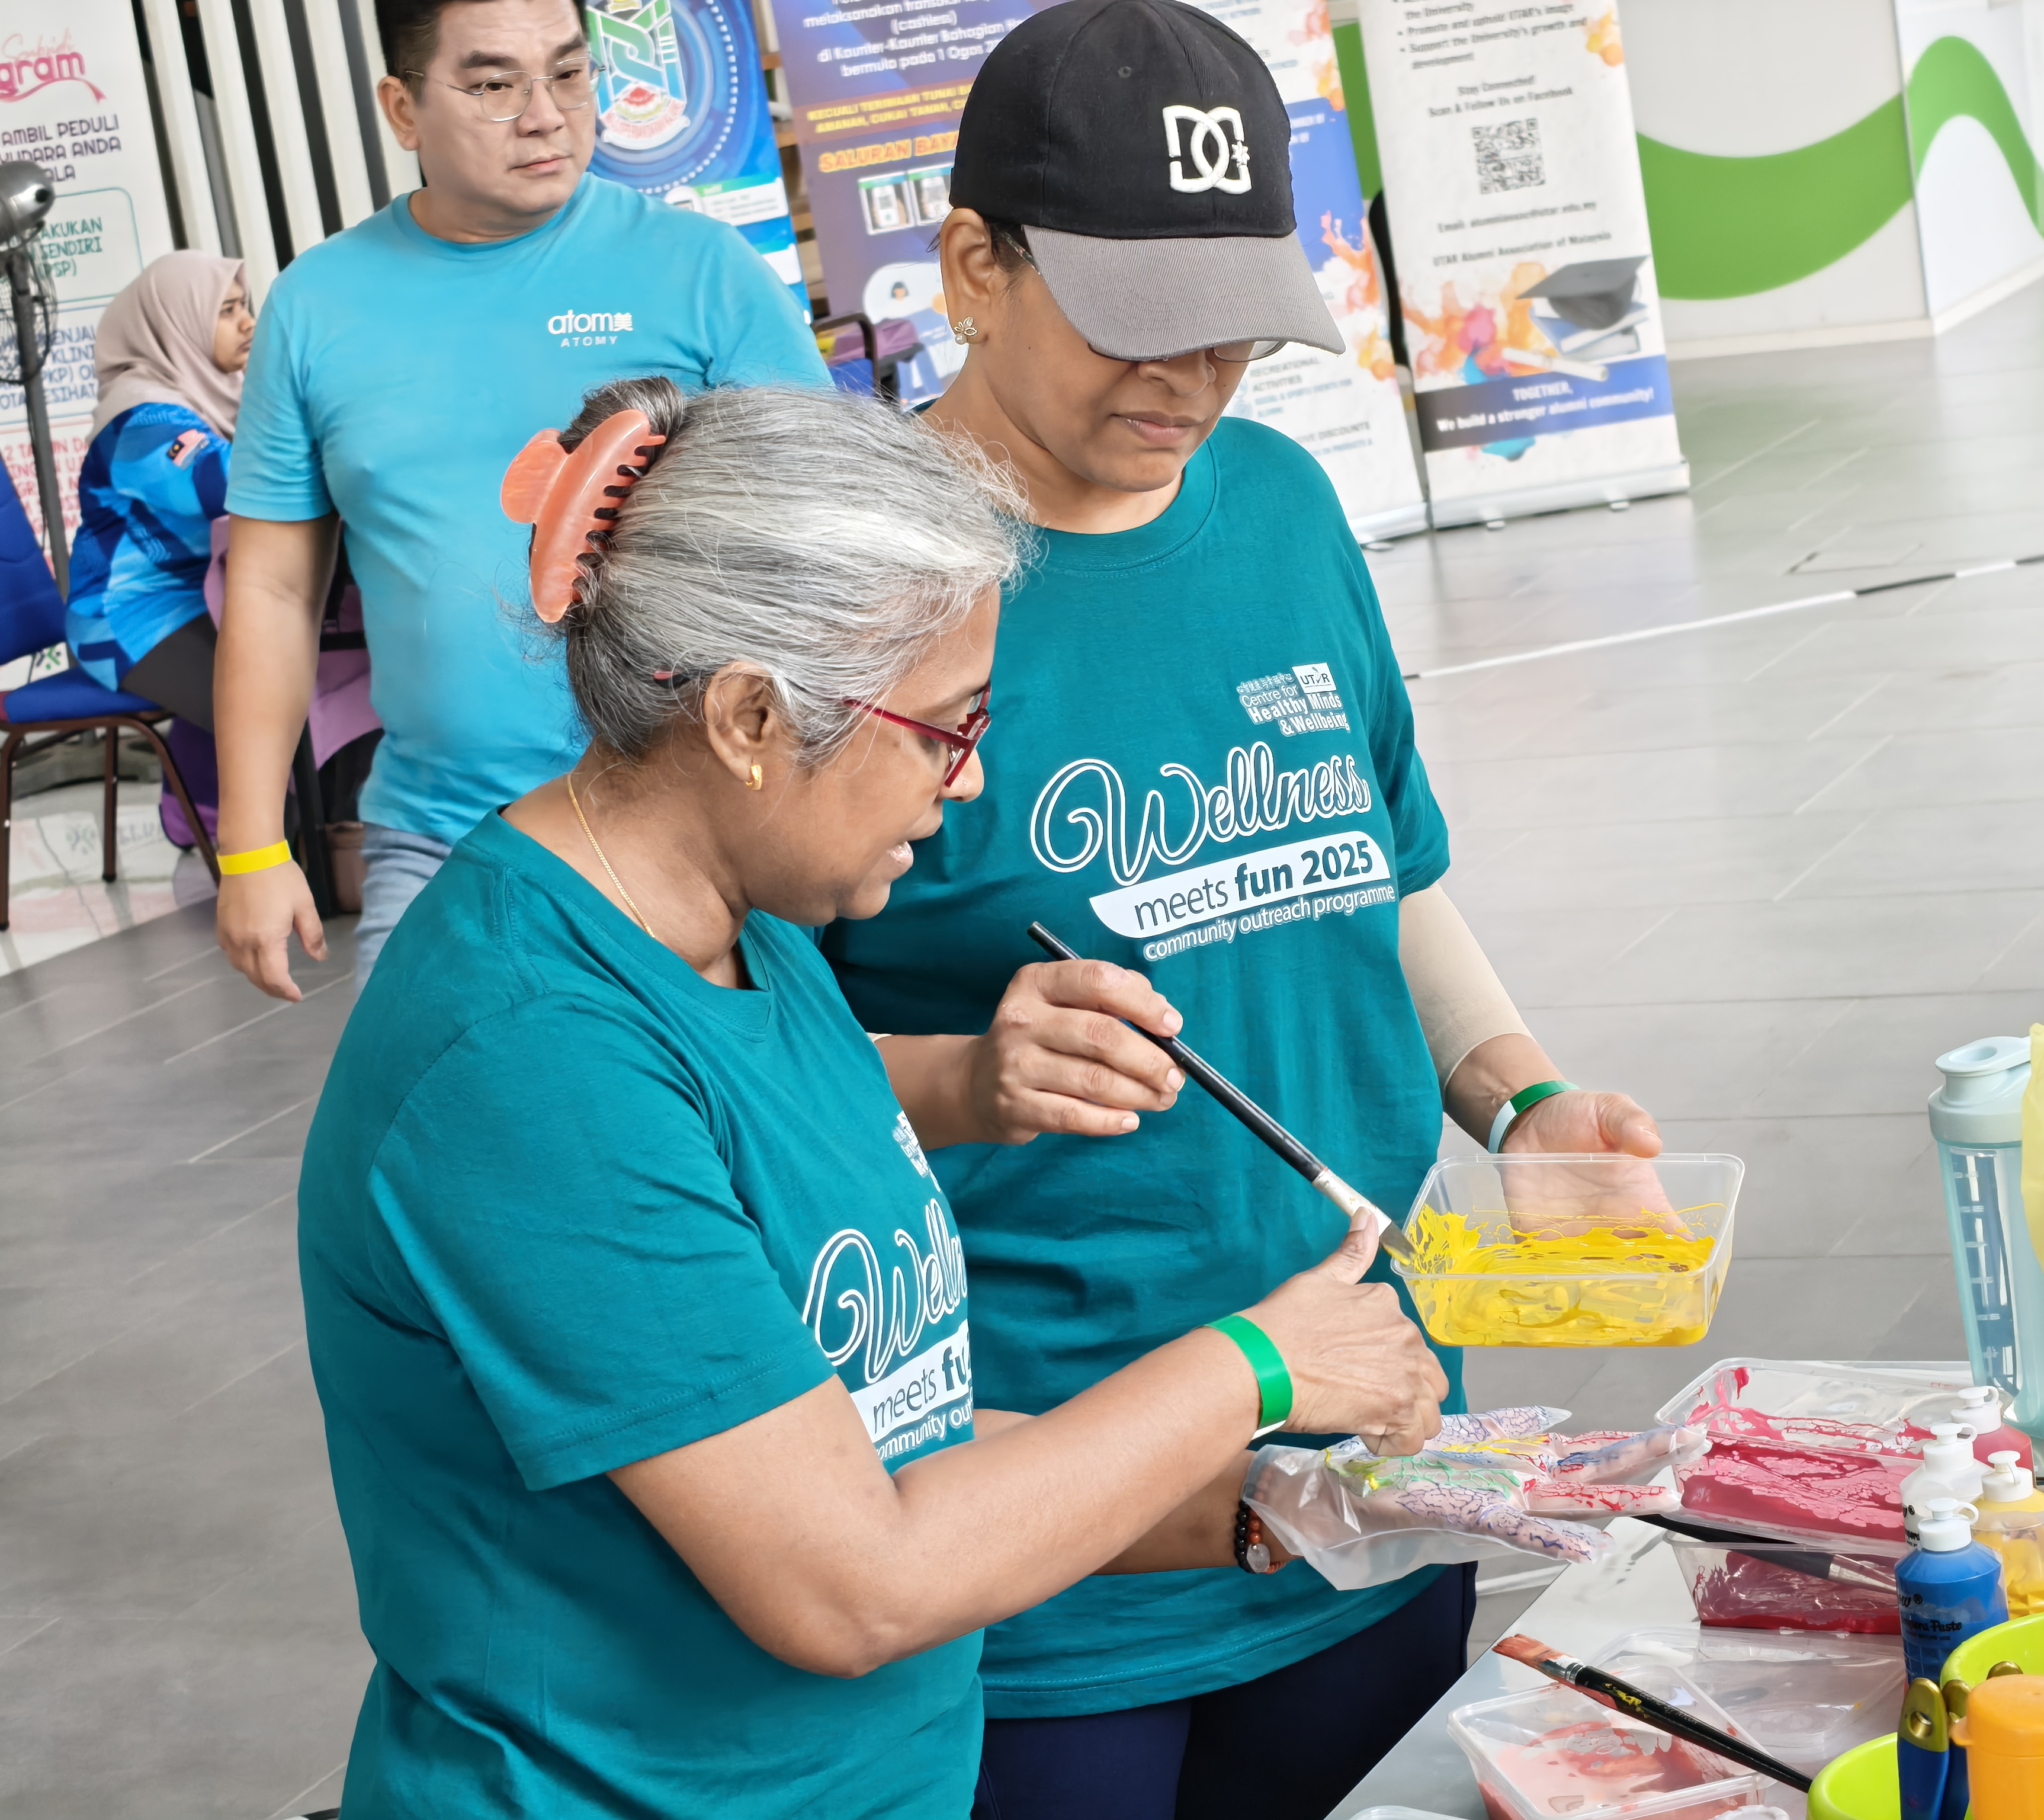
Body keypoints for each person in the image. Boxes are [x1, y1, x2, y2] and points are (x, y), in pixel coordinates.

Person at [298, 377, 1446, 1819]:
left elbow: (895, 1434)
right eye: (946, 729)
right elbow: (849, 1578)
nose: (968, 788)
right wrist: (1258, 1364)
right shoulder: (529, 1060)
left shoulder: (752, 931)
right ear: (748, 717)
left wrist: (1280, 1503)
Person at [819, 5, 1665, 1814]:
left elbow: (1378, 871)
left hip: (1363, 1441)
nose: (1193, 378)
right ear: (973, 265)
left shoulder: (1278, 506)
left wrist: (1521, 1101)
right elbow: (724, 1056)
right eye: (1135, 322)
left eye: (1236, 324)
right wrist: (965, 1069)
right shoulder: (862, 588)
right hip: (1044, 1501)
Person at [216, 0, 826, 999]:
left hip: (696, 827)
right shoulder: (316, 307)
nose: (546, 115)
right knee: (440, 1141)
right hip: (442, 837)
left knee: (717, 1147)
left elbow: (823, 541)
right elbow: (275, 592)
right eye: (495, 85)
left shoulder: (701, 272)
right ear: (402, 109)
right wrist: (249, 848)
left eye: (571, 74)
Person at [64, 250, 251, 727]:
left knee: (309, 676)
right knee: (260, 712)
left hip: (209, 596)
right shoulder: (141, 421)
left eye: (245, 306)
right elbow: (218, 485)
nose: (249, 323)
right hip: (129, 617)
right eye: (226, 311)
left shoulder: (220, 396)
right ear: (177, 323)